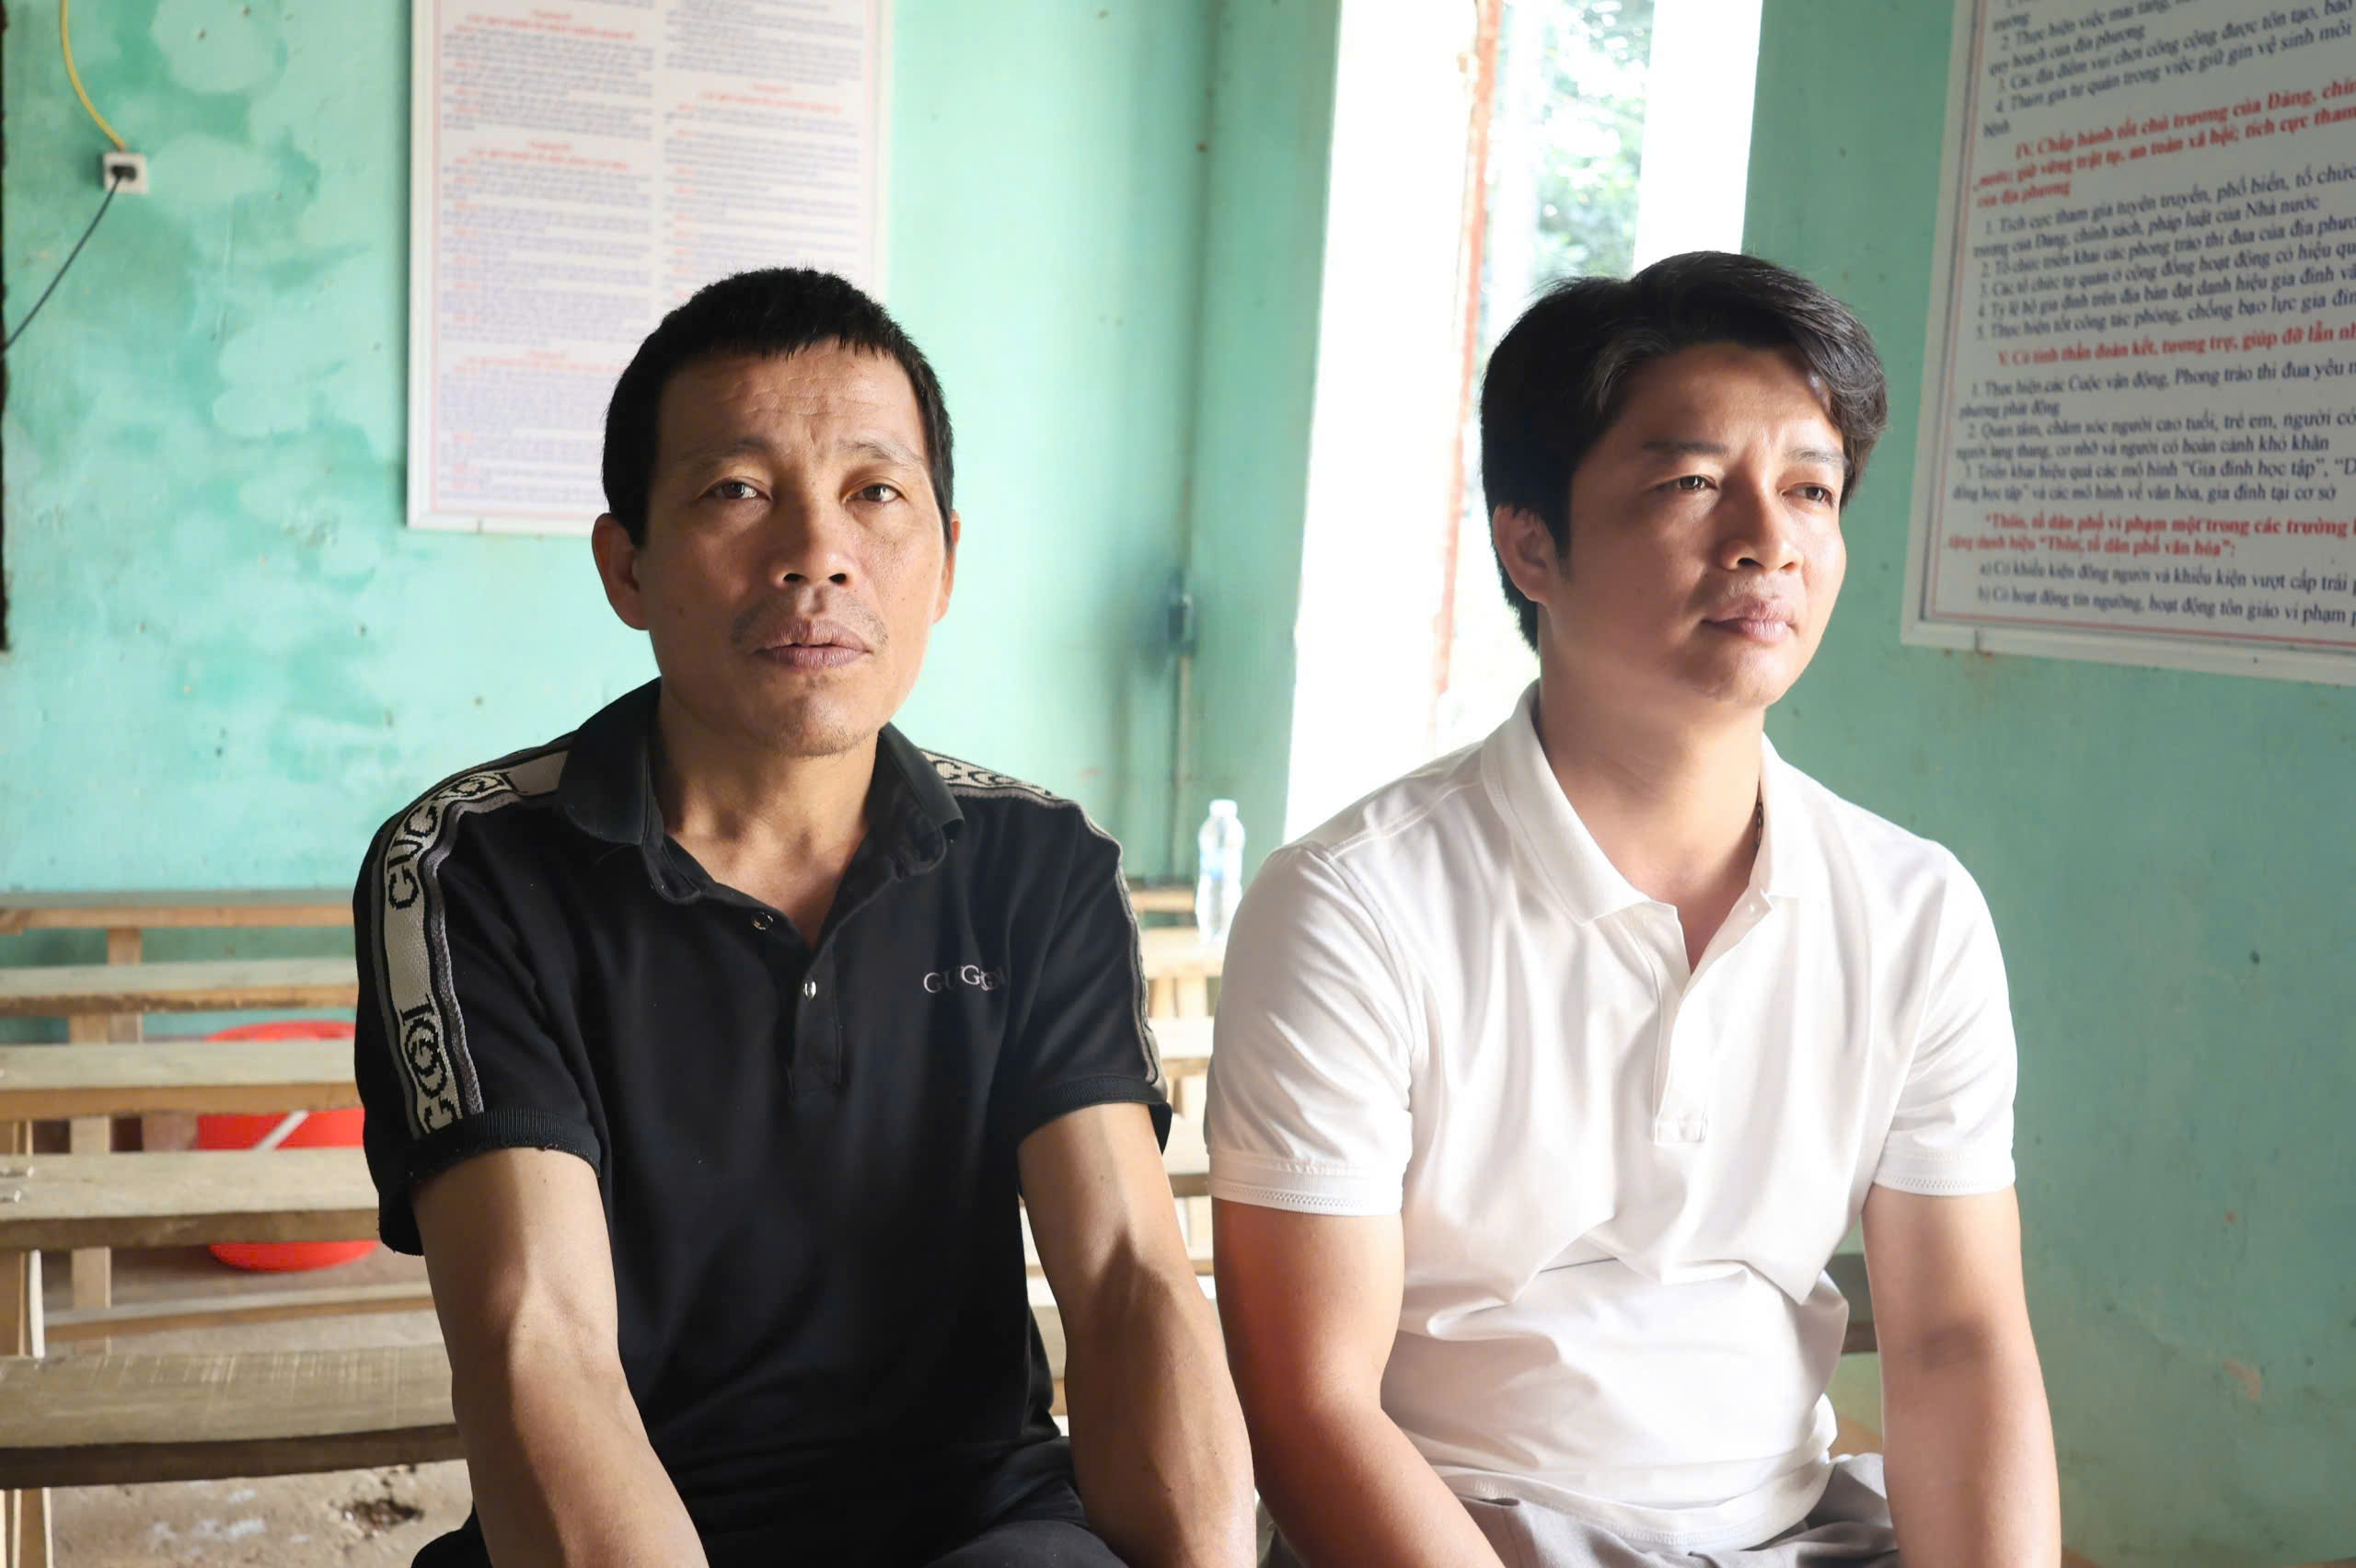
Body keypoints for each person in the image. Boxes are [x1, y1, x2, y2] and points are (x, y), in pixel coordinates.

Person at [354, 268, 1253, 1568]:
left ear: (944, 563)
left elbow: (1126, 1279)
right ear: (626, 565)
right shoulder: (469, 869)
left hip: (979, 1530)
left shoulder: (1037, 864)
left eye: (876, 493)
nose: (817, 553)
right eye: (736, 490)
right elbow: (538, 1344)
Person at [1206, 251, 2062, 1566]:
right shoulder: (1353, 906)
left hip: (1801, 1530)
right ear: (1530, 544)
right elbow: (1311, 1406)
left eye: (1811, 489)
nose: (1768, 540)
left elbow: (1958, 1344)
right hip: (1466, 1535)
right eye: (1692, 483)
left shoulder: (1914, 911)